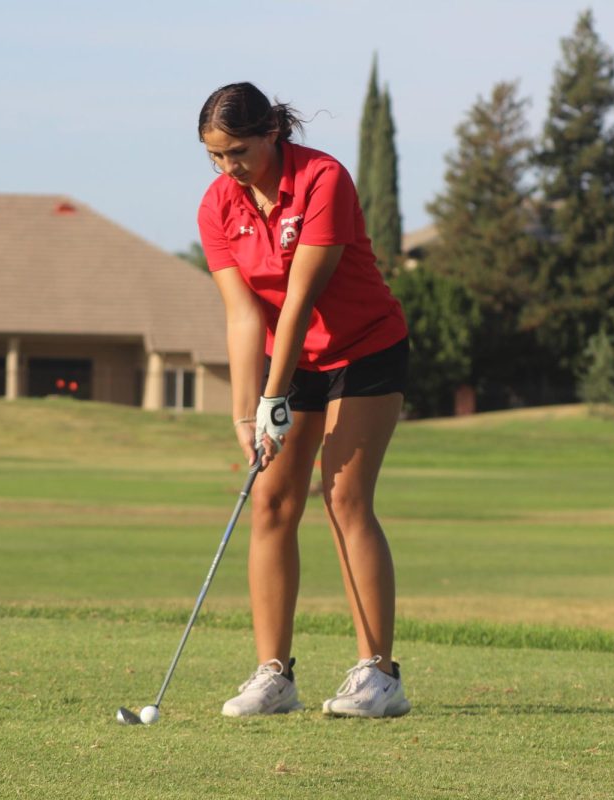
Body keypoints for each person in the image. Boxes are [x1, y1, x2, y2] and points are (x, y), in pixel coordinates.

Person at [196, 82, 411, 718]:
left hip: (365, 348)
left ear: (271, 134)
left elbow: (299, 299)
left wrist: (271, 396)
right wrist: (246, 410)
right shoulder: (217, 206)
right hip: (294, 361)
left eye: (237, 152)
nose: (227, 168)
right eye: (214, 156)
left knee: (343, 496)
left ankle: (380, 675)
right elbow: (243, 316)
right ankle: (274, 676)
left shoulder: (323, 179)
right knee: (272, 500)